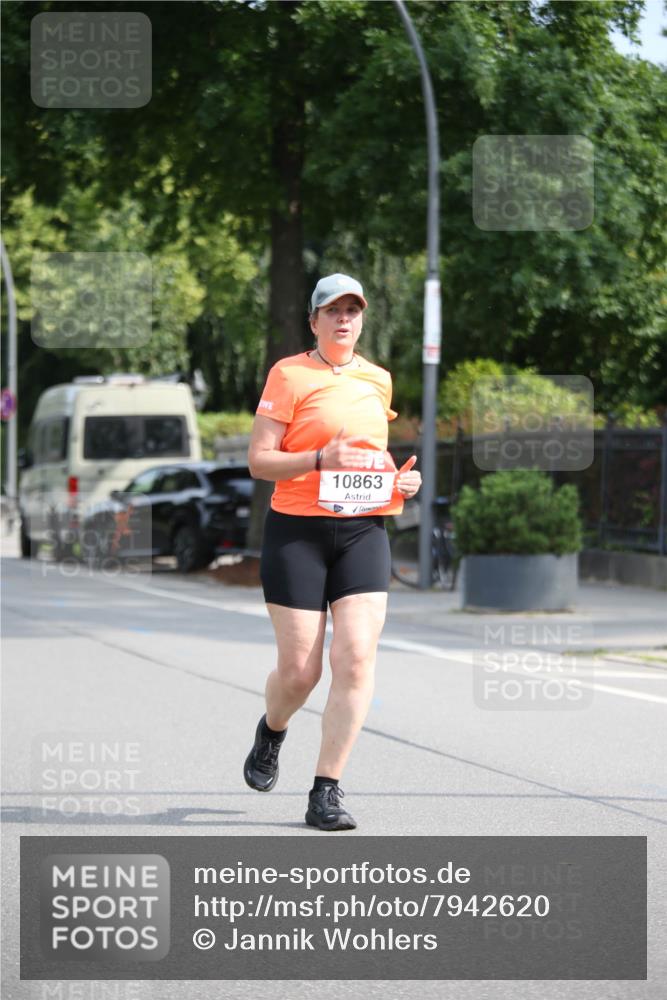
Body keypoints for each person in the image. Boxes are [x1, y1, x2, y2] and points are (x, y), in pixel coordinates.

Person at [244, 273, 422, 830]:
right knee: (300, 673)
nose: (344, 318)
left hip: (364, 532)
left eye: (354, 310)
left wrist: (400, 485)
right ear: (314, 320)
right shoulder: (289, 374)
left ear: (362, 319)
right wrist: (319, 458)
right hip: (298, 531)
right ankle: (272, 730)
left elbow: (370, 463)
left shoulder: (378, 380)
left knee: (357, 657)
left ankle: (326, 790)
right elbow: (260, 461)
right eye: (333, 310)